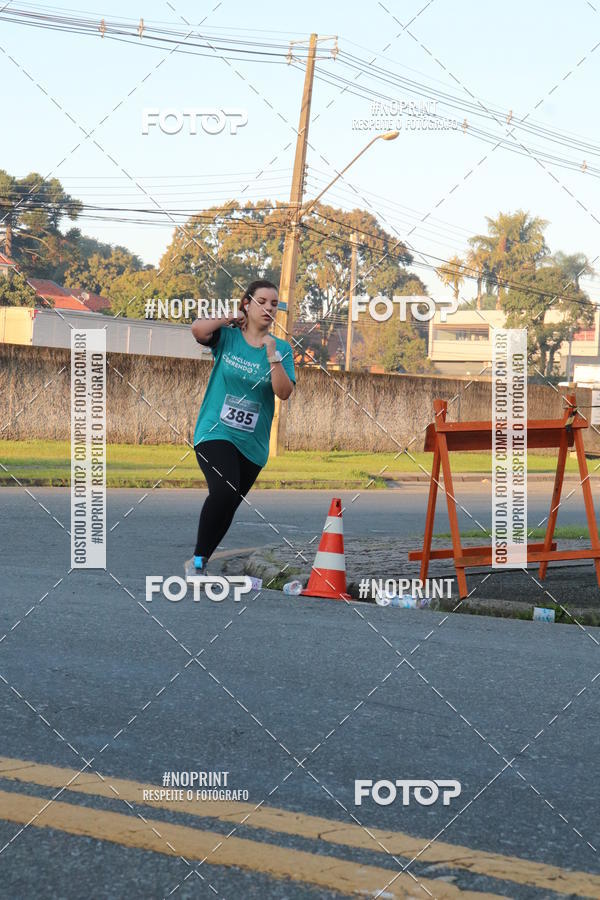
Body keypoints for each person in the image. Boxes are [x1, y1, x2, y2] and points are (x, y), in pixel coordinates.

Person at [185, 280, 296, 576]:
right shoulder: (228, 338)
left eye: (274, 303)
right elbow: (198, 330)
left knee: (230, 502)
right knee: (223, 491)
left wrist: (272, 355)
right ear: (247, 303)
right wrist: (227, 318)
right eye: (261, 301)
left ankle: (203, 558)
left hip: (252, 444)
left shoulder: (281, 348)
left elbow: (284, 392)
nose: (268, 308)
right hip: (215, 431)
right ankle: (197, 561)